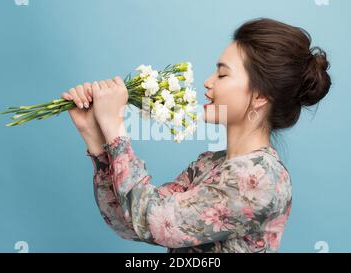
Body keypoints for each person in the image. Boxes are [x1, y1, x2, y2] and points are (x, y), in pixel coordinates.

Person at [61, 18, 331, 253]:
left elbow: (152, 220)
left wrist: (115, 129)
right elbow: (130, 222)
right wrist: (95, 137)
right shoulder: (209, 164)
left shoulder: (260, 178)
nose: (208, 81)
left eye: (222, 74)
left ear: (260, 96)